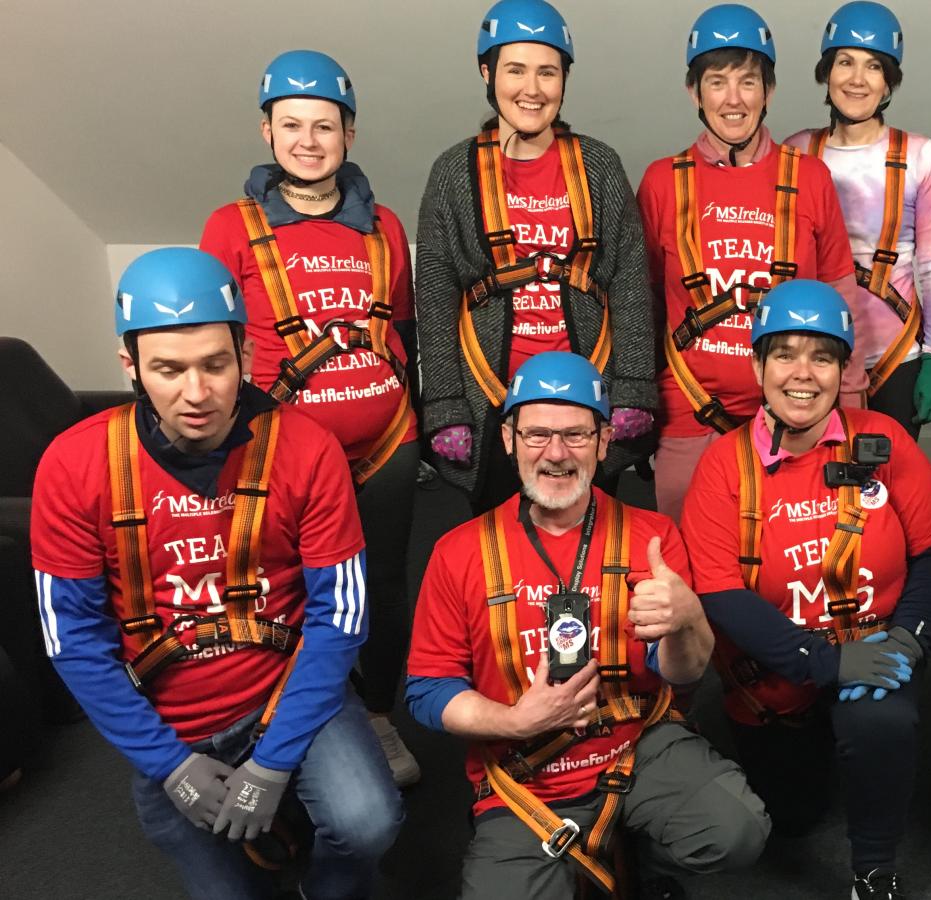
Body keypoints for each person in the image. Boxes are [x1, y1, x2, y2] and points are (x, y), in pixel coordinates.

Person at [30, 248, 402, 898]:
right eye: (168, 370)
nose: (196, 393)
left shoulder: (307, 449)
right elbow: (73, 642)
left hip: (285, 691)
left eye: (215, 365)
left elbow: (339, 618)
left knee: (368, 821)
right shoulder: (74, 466)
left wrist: (276, 760)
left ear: (246, 357)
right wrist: (167, 766)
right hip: (170, 718)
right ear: (130, 367)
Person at [406, 351, 769, 898]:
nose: (556, 453)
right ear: (508, 439)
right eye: (537, 435)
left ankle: (645, 855)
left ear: (603, 442)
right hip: (525, 773)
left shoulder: (652, 538)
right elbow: (428, 690)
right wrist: (514, 721)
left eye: (576, 435)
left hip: (637, 748)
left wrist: (687, 619)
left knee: (737, 829)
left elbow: (684, 675)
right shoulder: (458, 552)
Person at [679, 280, 931, 898]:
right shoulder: (724, 466)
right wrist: (825, 662)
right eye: (784, 354)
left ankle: (874, 868)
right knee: (794, 818)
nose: (802, 374)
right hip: (777, 673)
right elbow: (721, 594)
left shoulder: (884, 441)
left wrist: (911, 641)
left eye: (823, 356)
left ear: (844, 367)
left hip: (876, 651)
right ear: (758, 365)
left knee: (879, 725)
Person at [200, 49, 421, 788]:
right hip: (283, 452)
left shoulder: (383, 225)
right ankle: (296, 722)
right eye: (291, 124)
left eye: (324, 125)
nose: (308, 140)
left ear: (348, 134)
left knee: (384, 585)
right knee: (289, 586)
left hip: (386, 444)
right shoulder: (231, 228)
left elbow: (404, 332)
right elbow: (216, 346)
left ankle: (381, 717)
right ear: (266, 132)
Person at [416, 0, 657, 514]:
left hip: (588, 398)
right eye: (515, 70)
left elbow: (631, 281)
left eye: (547, 72)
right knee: (497, 555)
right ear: (487, 73)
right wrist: (443, 406)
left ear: (564, 80)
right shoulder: (453, 173)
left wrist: (634, 387)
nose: (532, 88)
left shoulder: (600, 165)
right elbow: (435, 295)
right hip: (491, 402)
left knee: (594, 546)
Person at [637, 3, 857, 520]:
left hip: (796, 407)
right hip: (690, 409)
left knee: (789, 559)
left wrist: (849, 397)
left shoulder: (809, 178)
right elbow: (641, 304)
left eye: (748, 82)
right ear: (695, 91)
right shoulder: (662, 182)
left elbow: (839, 291)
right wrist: (641, 404)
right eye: (717, 82)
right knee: (685, 560)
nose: (733, 99)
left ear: (769, 91)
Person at [784, 1, 931, 438]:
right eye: (845, 62)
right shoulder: (797, 152)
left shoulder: (919, 155)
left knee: (892, 488)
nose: (857, 79)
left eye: (873, 66)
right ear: (827, 72)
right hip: (816, 352)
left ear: (888, 81)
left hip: (897, 356)